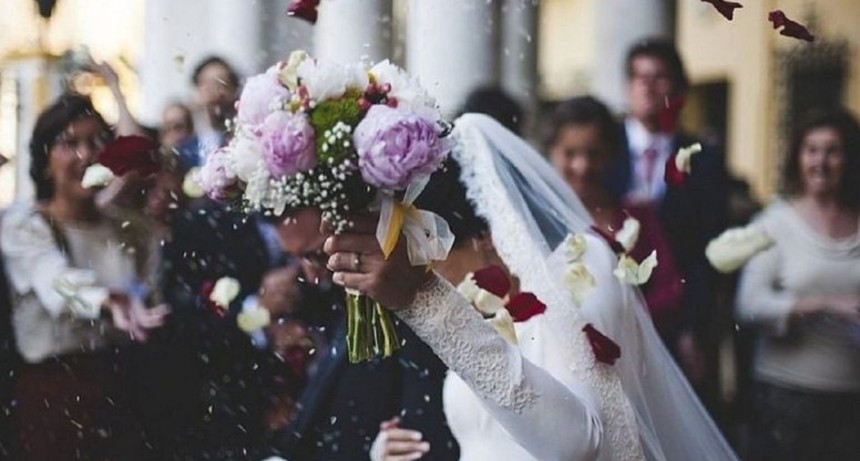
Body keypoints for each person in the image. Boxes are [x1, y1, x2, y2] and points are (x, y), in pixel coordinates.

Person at [333, 113, 737, 460]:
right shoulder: (489, 316)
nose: (434, 279)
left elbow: (579, 444)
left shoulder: (584, 267)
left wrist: (428, 303)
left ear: (484, 238)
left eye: (431, 263)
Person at [0, 94, 167, 460]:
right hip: (53, 393)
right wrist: (108, 301)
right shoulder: (26, 226)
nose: (86, 155)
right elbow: (56, 283)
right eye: (69, 143)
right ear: (45, 161)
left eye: (96, 142)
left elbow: (150, 290)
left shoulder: (129, 229)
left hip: (120, 384)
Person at [264, 208, 460, 461]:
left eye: (315, 254)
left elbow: (423, 432)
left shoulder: (409, 302)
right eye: (295, 259)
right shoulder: (325, 302)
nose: (310, 275)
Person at [735, 108, 860, 461]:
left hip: (853, 401)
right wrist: (824, 304)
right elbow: (749, 304)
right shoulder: (773, 225)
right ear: (798, 158)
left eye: (832, 151)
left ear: (848, 158)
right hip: (786, 399)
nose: (821, 161)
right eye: (811, 150)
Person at [605, 38, 729, 391]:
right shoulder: (602, 149)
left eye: (658, 76)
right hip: (613, 312)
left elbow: (710, 250)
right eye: (638, 76)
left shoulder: (703, 159)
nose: (646, 85)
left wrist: (692, 327)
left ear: (676, 88)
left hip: (679, 322)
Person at [546, 96, 684, 340]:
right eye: (570, 153)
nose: (582, 165)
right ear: (551, 153)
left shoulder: (637, 218)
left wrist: (619, 317)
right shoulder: (538, 219)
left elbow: (669, 289)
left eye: (593, 153)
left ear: (610, 154)